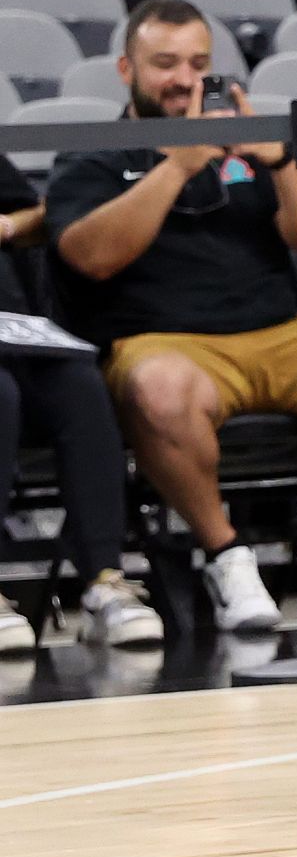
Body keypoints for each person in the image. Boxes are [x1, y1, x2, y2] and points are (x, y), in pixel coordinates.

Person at [44, 0, 297, 633]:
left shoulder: (245, 148)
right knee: (159, 388)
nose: (185, 80)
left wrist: (279, 162)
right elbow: (91, 257)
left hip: (280, 335)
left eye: (199, 64)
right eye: (165, 64)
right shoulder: (95, 156)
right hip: (166, 345)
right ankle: (228, 556)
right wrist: (178, 166)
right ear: (126, 70)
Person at [0, 154, 162, 653]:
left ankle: (102, 581)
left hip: (13, 329)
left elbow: (41, 214)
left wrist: (7, 225)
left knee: (79, 387)